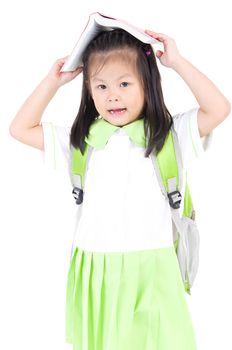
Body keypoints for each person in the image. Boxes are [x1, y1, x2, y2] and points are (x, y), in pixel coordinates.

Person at [9, 28, 230, 350]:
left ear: (148, 85)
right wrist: (52, 82)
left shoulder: (170, 136)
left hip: (154, 266)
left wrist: (178, 62)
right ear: (88, 91)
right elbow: (20, 128)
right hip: (97, 267)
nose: (112, 95)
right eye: (100, 86)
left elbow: (219, 109)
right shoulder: (80, 142)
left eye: (124, 84)